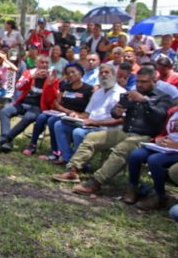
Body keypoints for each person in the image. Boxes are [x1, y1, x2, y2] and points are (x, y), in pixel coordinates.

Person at [66, 66, 172, 195]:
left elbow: (160, 115)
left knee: (122, 148)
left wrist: (144, 101)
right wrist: (117, 111)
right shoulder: (131, 93)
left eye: (143, 82)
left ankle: (96, 182)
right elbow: (117, 114)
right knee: (92, 137)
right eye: (138, 81)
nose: (139, 84)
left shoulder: (163, 97)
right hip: (125, 131)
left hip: (146, 136)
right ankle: (73, 170)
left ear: (153, 81)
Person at [51, 64, 125, 175]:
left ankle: (82, 165)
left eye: (107, 72)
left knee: (78, 132)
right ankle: (68, 159)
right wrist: (76, 116)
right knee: (59, 125)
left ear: (114, 75)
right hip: (88, 124)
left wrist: (95, 122)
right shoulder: (98, 93)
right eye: (101, 72)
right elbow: (87, 113)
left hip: (107, 128)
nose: (103, 75)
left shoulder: (121, 93)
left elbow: (122, 120)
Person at [22, 63, 93, 157]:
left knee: (52, 121)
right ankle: (32, 145)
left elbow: (89, 108)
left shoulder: (88, 89)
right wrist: (66, 111)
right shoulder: (66, 87)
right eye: (68, 73)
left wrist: (73, 113)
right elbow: (56, 103)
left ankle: (55, 151)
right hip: (62, 112)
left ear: (80, 73)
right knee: (41, 117)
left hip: (75, 117)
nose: (70, 75)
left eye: (73, 72)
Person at [0, 55, 58, 153]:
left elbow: (51, 99)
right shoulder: (29, 73)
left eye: (46, 63)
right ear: (36, 64)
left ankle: (4, 139)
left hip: (39, 107)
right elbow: (19, 86)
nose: (44, 65)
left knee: (28, 116)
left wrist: (50, 84)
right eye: (42, 62)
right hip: (24, 103)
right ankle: (6, 141)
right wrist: (32, 78)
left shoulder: (52, 79)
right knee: (4, 111)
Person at [123, 106, 178, 211]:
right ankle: (133, 188)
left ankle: (160, 197)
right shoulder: (173, 111)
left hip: (175, 149)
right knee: (136, 155)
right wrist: (159, 139)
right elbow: (162, 132)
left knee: (154, 160)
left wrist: (176, 145)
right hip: (166, 146)